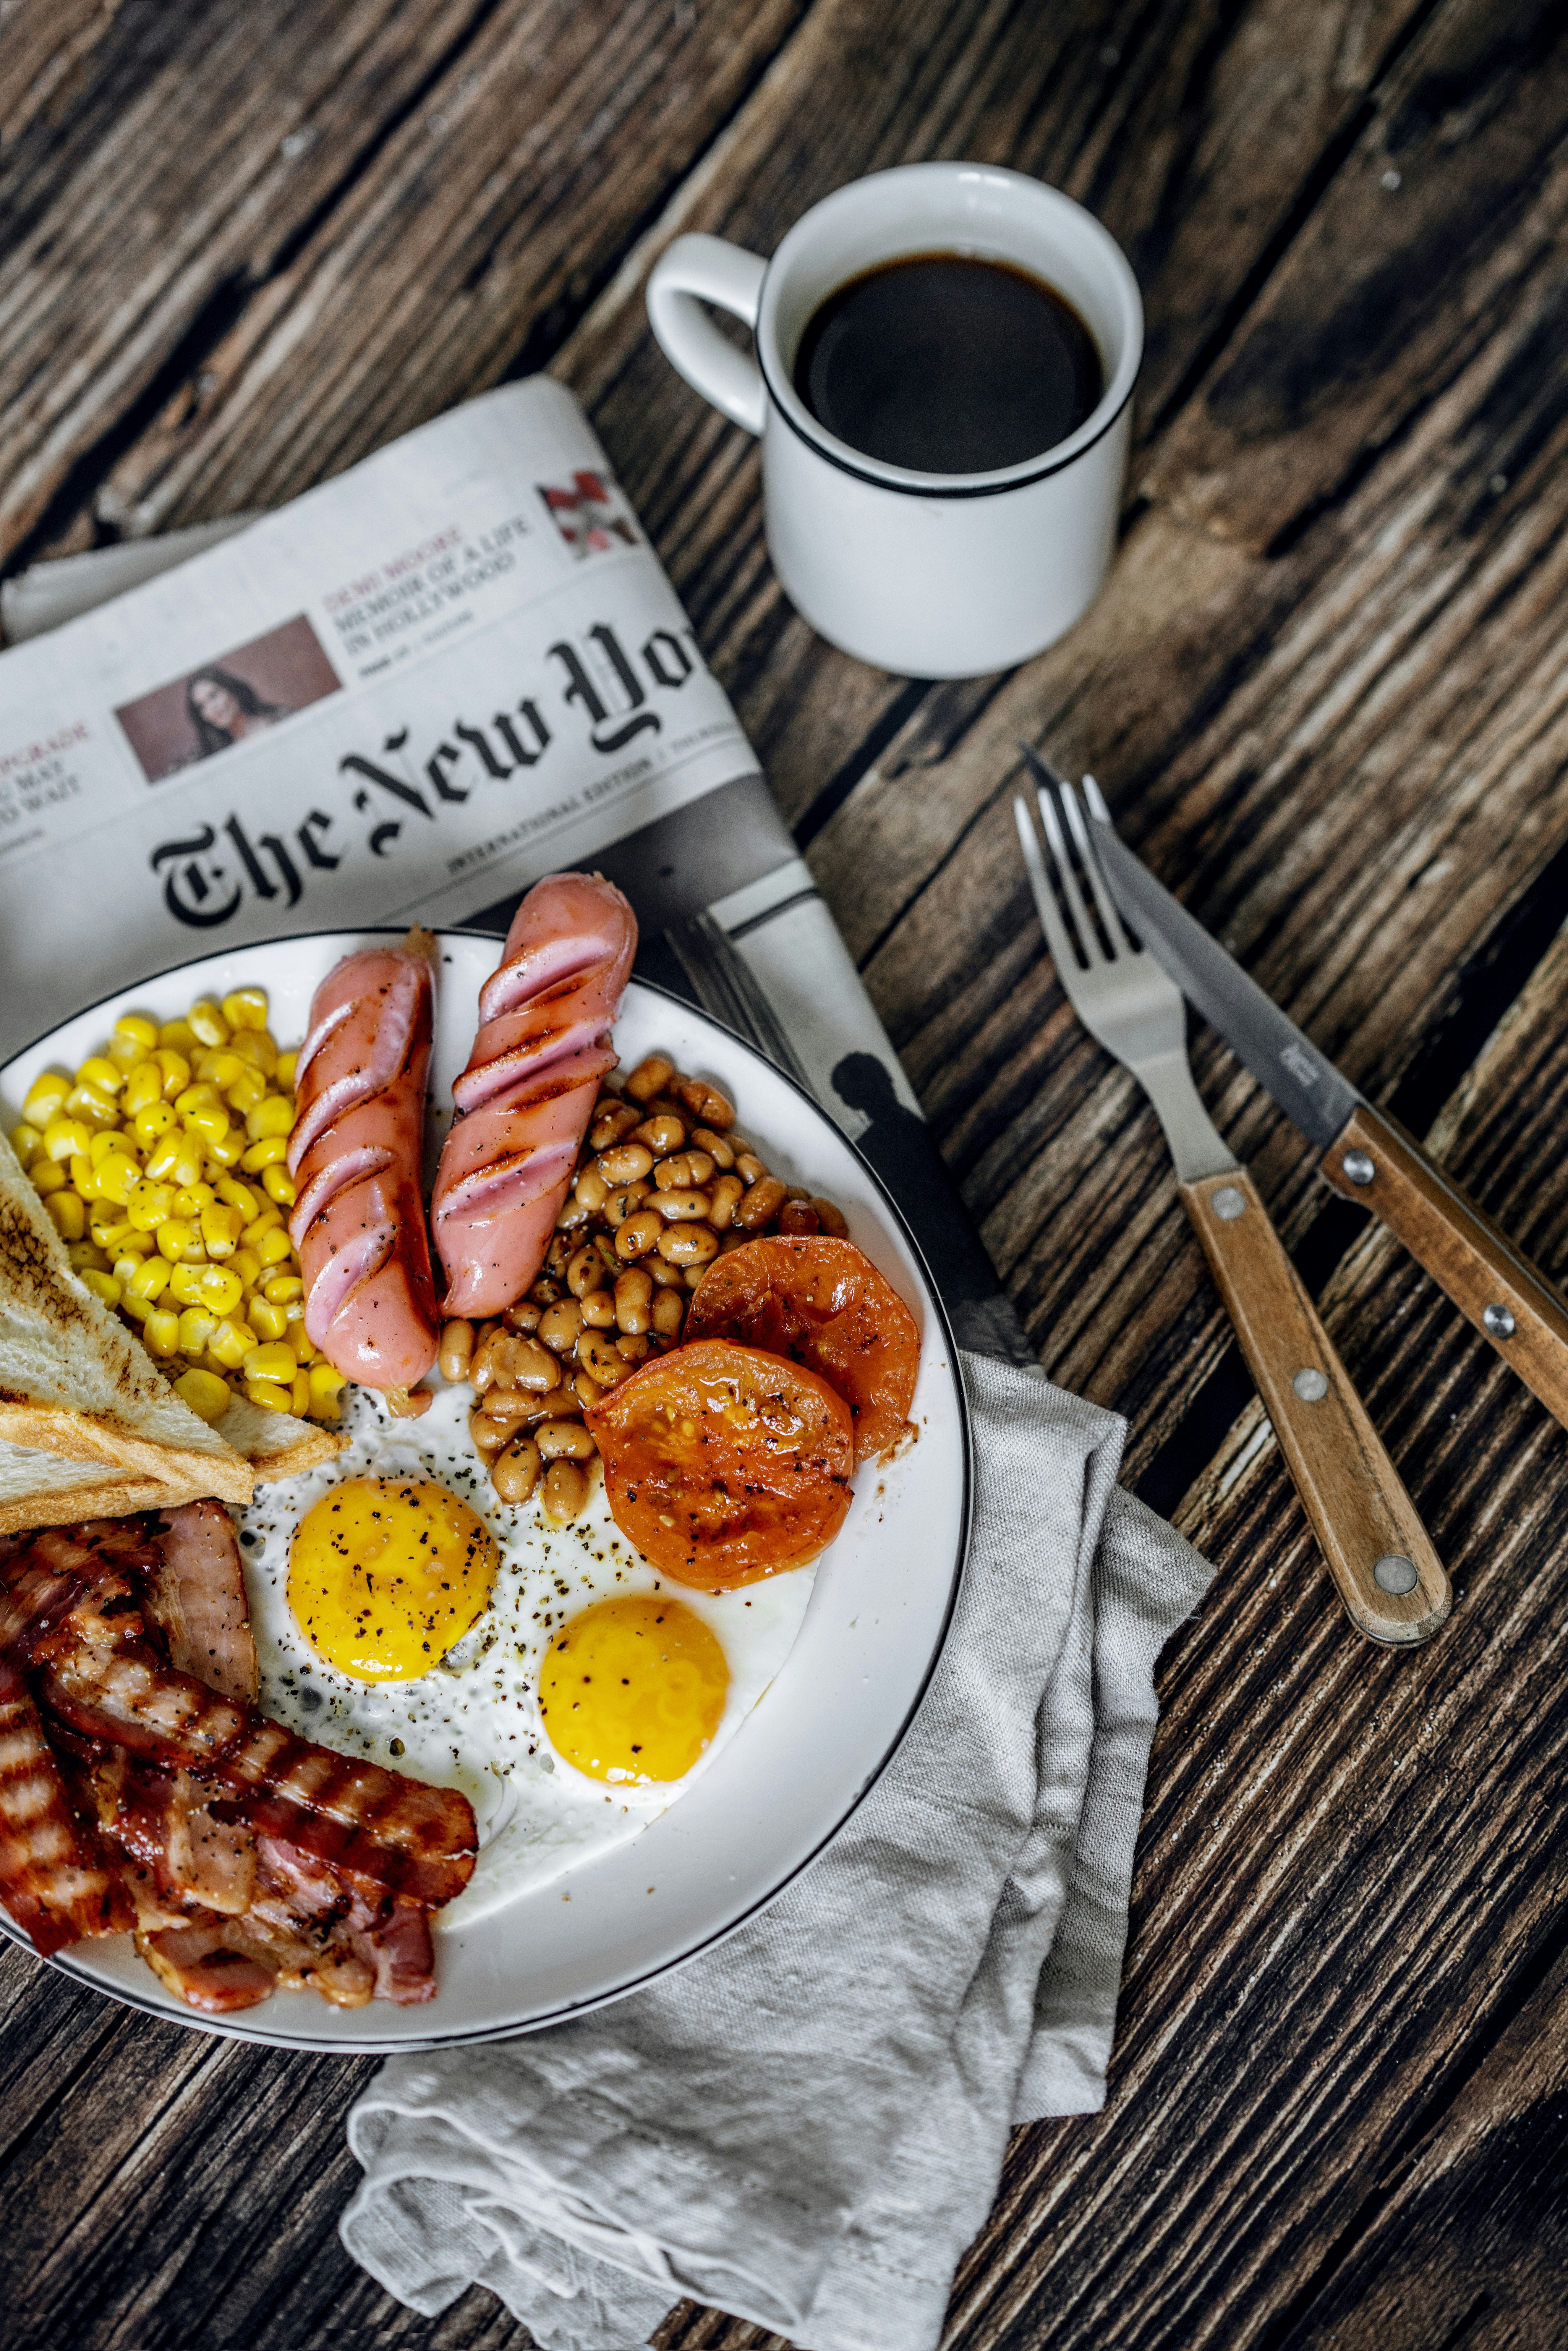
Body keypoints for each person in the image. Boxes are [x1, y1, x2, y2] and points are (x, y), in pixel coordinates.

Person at [183, 665, 287, 761]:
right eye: (201, 707)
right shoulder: (207, 754)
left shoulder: (281, 720)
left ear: (231, 690)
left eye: (213, 696)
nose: (211, 708)